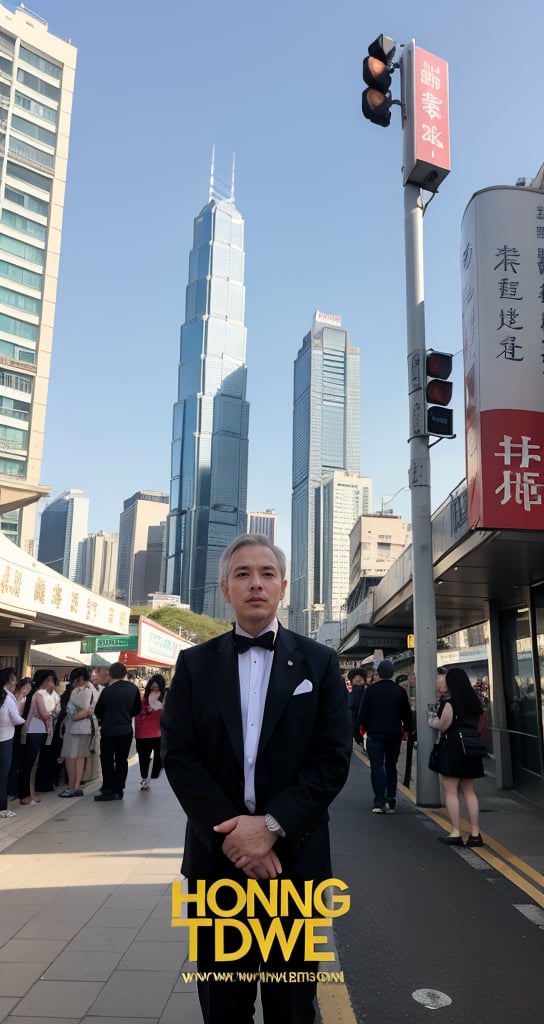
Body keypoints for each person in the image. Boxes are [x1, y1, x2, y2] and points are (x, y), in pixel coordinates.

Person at [161, 533, 352, 1024]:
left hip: (296, 862)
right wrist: (234, 832)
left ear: (283, 587)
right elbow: (179, 757)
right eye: (242, 574)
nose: (256, 584)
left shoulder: (319, 662)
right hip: (217, 860)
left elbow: (332, 759)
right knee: (223, 1004)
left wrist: (269, 827)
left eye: (267, 574)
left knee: (292, 1005)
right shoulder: (194, 664)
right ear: (225, 589)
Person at [428, 667, 485, 847]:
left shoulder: (450, 704)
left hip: (453, 748)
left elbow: (443, 725)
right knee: (469, 791)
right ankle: (476, 833)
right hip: (471, 747)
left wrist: (431, 721)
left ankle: (456, 832)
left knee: (451, 791)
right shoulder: (474, 702)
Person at [359, 659, 412, 814]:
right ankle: (391, 799)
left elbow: (363, 714)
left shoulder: (370, 691)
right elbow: (406, 714)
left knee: (377, 766)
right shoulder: (399, 691)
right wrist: (406, 730)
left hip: (375, 734)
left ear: (378, 673)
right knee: (391, 766)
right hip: (394, 734)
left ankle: (379, 801)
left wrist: (364, 727)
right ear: (392, 673)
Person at [94, 661, 141, 801]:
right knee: (122, 760)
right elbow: (137, 709)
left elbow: (98, 711)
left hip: (109, 730)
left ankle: (108, 788)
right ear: (125, 673)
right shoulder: (133, 689)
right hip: (126, 730)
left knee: (107, 759)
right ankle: (118, 789)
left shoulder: (107, 690)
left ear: (111, 674)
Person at [19, 670, 58, 805]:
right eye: (47, 680)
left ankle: (31, 791)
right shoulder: (35, 694)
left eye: (52, 680)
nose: (50, 683)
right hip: (32, 731)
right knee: (28, 764)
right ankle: (25, 793)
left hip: (41, 731)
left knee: (34, 764)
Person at [58, 667, 98, 798]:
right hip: (83, 728)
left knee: (72, 756)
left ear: (80, 678)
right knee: (78, 756)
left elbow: (86, 710)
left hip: (78, 727)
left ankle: (72, 786)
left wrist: (73, 718)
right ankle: (75, 786)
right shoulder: (90, 690)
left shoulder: (84, 691)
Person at [0, 668, 25, 818]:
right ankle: (2, 808)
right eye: (15, 679)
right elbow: (16, 719)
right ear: (10, 680)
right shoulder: (8, 698)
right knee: (3, 775)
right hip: (5, 738)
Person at [134, 674, 166, 790]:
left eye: (157, 686)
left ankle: (151, 775)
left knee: (159, 757)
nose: (155, 687)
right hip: (143, 733)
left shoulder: (165, 698)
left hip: (158, 733)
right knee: (143, 758)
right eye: (153, 685)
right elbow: (138, 715)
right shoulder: (143, 698)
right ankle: (144, 779)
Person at [348, 667, 367, 745]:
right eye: (356, 677)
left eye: (360, 677)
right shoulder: (368, 692)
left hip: (357, 725)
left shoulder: (350, 695)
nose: (358, 679)